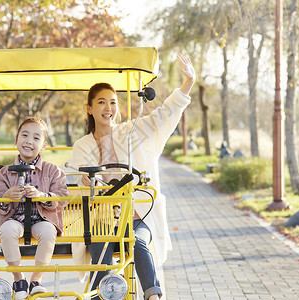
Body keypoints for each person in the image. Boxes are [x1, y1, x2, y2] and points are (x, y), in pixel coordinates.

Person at [68, 53, 196, 300]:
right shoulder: (82, 145)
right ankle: (100, 296)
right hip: (101, 218)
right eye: (102, 102)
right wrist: (85, 180)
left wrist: (188, 83)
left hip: (139, 216)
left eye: (113, 102)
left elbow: (165, 115)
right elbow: (79, 176)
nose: (109, 108)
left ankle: (153, 296)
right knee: (100, 245)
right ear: (89, 108)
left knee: (136, 241)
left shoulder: (133, 130)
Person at [0, 117, 68, 300]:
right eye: (24, 135)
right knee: (7, 230)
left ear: (44, 145)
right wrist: (7, 197)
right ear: (16, 139)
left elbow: (62, 197)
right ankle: (19, 278)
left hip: (41, 218)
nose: (29, 141)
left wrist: (42, 196)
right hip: (13, 218)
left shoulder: (52, 171)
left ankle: (36, 279)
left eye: (36, 138)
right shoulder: (4, 173)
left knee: (49, 231)